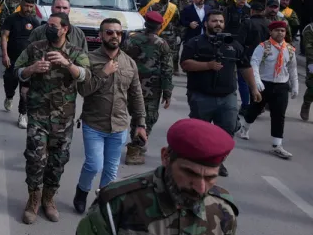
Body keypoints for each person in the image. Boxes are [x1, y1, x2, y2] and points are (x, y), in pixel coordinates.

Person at [67, 118, 238, 235]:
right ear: (165, 157)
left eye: (210, 177)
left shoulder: (223, 213)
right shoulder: (119, 202)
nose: (200, 188)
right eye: (189, 173)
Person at [15, 12, 91, 224]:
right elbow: (16, 71)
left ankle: (49, 199)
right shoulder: (35, 48)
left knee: (58, 161)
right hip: (38, 115)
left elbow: (86, 76)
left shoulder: (75, 52)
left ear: (65, 29)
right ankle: (33, 199)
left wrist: (68, 64)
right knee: (35, 158)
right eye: (48, 24)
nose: (49, 28)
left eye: (54, 25)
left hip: (63, 119)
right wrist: (31, 69)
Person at [73, 18, 146, 214]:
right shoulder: (89, 59)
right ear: (101, 35)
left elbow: (136, 95)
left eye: (118, 33)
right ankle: (82, 192)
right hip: (94, 124)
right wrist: (103, 73)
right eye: (110, 32)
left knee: (111, 169)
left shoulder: (129, 63)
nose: (115, 36)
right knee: (93, 164)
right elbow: (84, 91)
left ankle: (103, 201)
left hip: (119, 125)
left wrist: (140, 123)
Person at [180, 10, 260, 177]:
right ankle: (197, 161)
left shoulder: (233, 45)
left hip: (227, 97)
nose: (218, 24)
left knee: (228, 131)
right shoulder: (195, 43)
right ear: (206, 23)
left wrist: (254, 88)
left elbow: (245, 67)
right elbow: (185, 64)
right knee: (199, 133)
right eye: (214, 21)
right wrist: (207, 65)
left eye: (221, 21)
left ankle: (217, 161)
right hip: (201, 95)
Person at [238, 21, 298, 158]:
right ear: (271, 32)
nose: (280, 33)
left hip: (281, 85)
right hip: (265, 84)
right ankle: (245, 128)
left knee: (279, 114)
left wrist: (295, 86)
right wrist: (257, 82)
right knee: (255, 109)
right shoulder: (263, 47)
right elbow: (254, 63)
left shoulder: (289, 49)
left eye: (282, 31)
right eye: (277, 30)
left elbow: (292, 68)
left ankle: (277, 145)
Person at [122, 12, 173, 165]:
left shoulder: (131, 39)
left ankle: (137, 142)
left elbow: (121, 59)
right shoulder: (161, 44)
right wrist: (167, 92)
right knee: (148, 117)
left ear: (145, 23)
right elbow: (167, 69)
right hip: (152, 87)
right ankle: (135, 149)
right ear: (159, 26)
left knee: (137, 114)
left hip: (130, 84)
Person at [1, 0, 40, 128]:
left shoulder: (35, 22)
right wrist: (4, 55)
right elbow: (4, 36)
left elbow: (39, 43)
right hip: (12, 59)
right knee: (9, 82)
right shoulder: (11, 19)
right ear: (21, 4)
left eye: (31, 6)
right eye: (26, 5)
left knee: (25, 90)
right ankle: (9, 96)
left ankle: (23, 114)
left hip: (28, 63)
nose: (28, 9)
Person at [142, 0, 180, 75]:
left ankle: (172, 69)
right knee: (155, 52)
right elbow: (147, 20)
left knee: (171, 53)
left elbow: (177, 22)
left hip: (170, 35)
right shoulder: (153, 7)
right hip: (156, 34)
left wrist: (178, 34)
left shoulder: (173, 8)